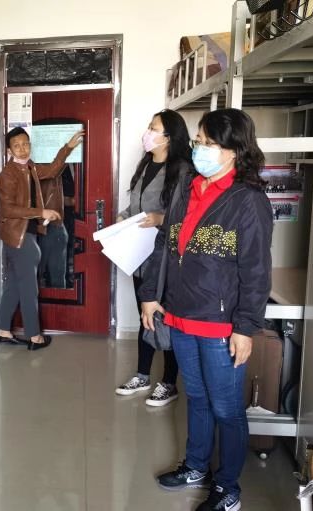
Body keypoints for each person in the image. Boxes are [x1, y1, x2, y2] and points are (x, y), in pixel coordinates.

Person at [140, 108, 273, 511]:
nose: (199, 149)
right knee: (196, 397)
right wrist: (151, 293)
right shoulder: (189, 187)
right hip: (180, 316)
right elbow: (165, 244)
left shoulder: (247, 201)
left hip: (220, 326)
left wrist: (245, 328)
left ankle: (227, 488)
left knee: (226, 409)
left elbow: (256, 270)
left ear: (234, 150)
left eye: (208, 143)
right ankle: (196, 466)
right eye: (198, 141)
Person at [114, 109, 192, 408]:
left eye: (153, 128)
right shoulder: (146, 164)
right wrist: (123, 216)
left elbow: (186, 214)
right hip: (139, 256)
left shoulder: (182, 170)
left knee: (166, 319)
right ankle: (142, 375)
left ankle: (169, 382)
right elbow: (136, 204)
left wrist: (161, 218)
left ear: (169, 136)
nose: (147, 132)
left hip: (165, 259)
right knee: (145, 316)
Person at [0, 127, 84, 350]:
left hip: (25, 233)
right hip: (18, 235)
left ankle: (3, 331)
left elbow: (53, 170)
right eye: (17, 146)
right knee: (28, 288)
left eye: (26, 144)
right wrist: (41, 212)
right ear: (9, 150)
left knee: (14, 285)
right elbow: (8, 209)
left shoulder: (31, 167)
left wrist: (68, 147)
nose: (22, 149)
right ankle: (34, 337)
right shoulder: (6, 175)